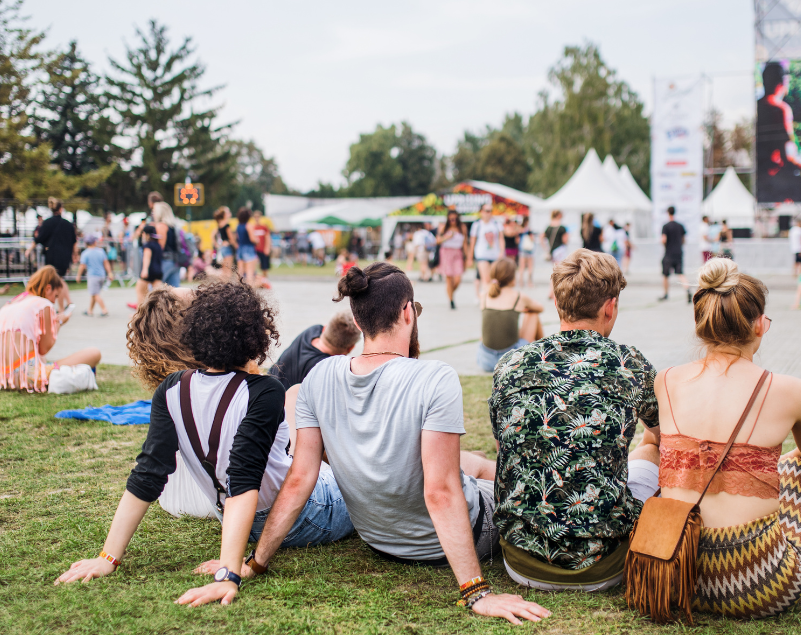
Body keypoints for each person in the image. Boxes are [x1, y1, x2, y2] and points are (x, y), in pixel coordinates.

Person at [244, 262, 551, 624]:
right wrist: (476, 592)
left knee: (474, 465)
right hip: (448, 537)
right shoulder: (435, 378)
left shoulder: (319, 376)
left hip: (380, 542)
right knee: (524, 479)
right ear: (408, 311)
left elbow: (300, 479)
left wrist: (254, 562)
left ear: (358, 322)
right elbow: (441, 492)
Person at [56, 280, 355, 595]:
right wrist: (228, 573)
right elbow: (243, 478)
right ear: (259, 333)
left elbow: (148, 474)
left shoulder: (171, 389)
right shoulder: (264, 391)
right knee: (337, 455)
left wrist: (107, 557)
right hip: (307, 514)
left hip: (241, 522)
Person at [654, 257, 801, 618]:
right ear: (760, 326)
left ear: (699, 323)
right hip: (759, 583)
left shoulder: (666, 380)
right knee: (795, 465)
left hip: (675, 570)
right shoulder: (791, 391)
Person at [488, 249, 661, 591]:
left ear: (557, 303)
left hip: (522, 562)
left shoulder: (511, 363)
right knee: (652, 445)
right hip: (605, 564)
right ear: (609, 307)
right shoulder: (629, 364)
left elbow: (501, 447)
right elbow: (669, 436)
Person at [0, 266, 101, 392]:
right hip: (26, 376)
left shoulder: (10, 303)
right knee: (94, 353)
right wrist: (59, 322)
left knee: (39, 358)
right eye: (55, 296)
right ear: (48, 288)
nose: (54, 301)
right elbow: (44, 348)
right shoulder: (43, 304)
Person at [476, 257, 543, 373]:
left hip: (485, 361)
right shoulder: (518, 296)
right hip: (510, 361)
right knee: (533, 314)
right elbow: (540, 308)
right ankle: (545, 354)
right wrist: (525, 309)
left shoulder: (484, 295)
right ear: (512, 277)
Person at [270, 311, 361, 389]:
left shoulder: (312, 331)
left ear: (325, 328)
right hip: (284, 406)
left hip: (270, 382)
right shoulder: (328, 368)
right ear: (350, 348)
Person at [756, 61, 801, 178]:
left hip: (759, 176)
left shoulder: (756, 106)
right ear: (783, 82)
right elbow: (788, 153)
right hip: (775, 177)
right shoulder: (781, 109)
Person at [35, 197, 78, 282]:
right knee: (60, 278)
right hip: (64, 255)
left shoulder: (47, 223)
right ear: (61, 209)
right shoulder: (68, 224)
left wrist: (29, 249)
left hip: (51, 254)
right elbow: (74, 242)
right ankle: (60, 294)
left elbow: (38, 238)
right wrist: (75, 256)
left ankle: (56, 294)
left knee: (52, 278)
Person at [468, 203, 504, 302]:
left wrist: (502, 251)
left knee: (495, 279)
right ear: (481, 212)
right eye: (487, 211)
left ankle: (491, 296)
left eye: (490, 211)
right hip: (482, 255)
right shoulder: (477, 225)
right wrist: (470, 257)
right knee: (486, 279)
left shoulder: (497, 224)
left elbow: (501, 239)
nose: (489, 213)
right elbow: (472, 242)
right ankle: (486, 299)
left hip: (495, 255)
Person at [76, 234, 114, 317]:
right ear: (94, 242)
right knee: (94, 293)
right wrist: (110, 273)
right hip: (102, 275)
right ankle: (90, 310)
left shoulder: (85, 253)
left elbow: (82, 265)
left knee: (95, 293)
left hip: (93, 276)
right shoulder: (101, 251)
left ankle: (104, 309)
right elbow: (106, 263)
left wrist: (78, 275)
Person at [437, 209, 467, 309]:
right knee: (449, 278)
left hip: (457, 253)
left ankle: (450, 293)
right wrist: (447, 236)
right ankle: (451, 300)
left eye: (454, 219)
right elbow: (438, 241)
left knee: (458, 278)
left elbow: (465, 243)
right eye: (451, 219)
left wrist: (467, 257)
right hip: (446, 252)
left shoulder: (462, 228)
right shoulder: (443, 227)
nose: (453, 221)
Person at [659, 206, 688, 302]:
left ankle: (666, 294)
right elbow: (684, 239)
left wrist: (665, 245)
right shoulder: (680, 226)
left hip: (669, 253)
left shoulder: (666, 226)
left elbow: (663, 239)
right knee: (680, 273)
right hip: (678, 252)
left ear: (668, 213)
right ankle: (687, 289)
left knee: (666, 275)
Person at [152, 202, 183, 288]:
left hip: (165, 260)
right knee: (174, 290)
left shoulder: (161, 226)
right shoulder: (173, 226)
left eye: (154, 211)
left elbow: (160, 247)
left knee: (155, 288)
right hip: (175, 261)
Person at [250, 210, 274, 286]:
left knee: (264, 266)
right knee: (254, 265)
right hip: (255, 249)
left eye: (258, 217)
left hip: (263, 249)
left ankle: (265, 280)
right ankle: (257, 280)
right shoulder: (252, 227)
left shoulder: (264, 227)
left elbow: (267, 237)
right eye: (255, 217)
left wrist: (267, 248)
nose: (256, 218)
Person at [214, 207, 235, 275]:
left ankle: (223, 284)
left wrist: (216, 243)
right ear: (224, 215)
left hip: (222, 247)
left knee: (224, 269)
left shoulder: (220, 224)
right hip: (227, 247)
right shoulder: (226, 225)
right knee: (228, 269)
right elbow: (231, 238)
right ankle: (227, 285)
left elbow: (213, 235)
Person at [517, 216, 536, 288]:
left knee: (521, 267)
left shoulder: (520, 230)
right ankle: (529, 282)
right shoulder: (529, 230)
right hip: (529, 250)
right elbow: (532, 239)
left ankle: (521, 282)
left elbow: (517, 240)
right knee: (530, 267)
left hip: (522, 250)